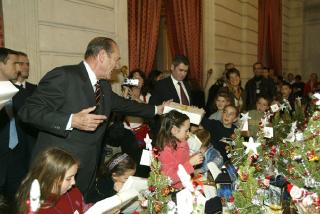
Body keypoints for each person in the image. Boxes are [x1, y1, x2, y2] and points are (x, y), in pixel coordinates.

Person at [18, 37, 168, 200]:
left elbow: (123, 104)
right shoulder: (64, 76)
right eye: (116, 59)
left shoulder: (103, 85)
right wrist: (71, 120)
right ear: (102, 55)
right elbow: (28, 111)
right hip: (58, 171)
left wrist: (156, 109)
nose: (117, 66)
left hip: (88, 167)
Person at [16, 148, 91, 214]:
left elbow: (83, 208)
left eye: (74, 176)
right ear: (51, 178)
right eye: (68, 178)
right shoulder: (36, 208)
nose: (74, 182)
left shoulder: (73, 192)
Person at [0, 48, 30, 207]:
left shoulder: (19, 92)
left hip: (18, 156)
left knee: (17, 204)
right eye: (15, 63)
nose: (19, 68)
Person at [157, 110, 203, 189]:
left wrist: (193, 159)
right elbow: (169, 179)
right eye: (186, 130)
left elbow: (182, 162)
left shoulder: (182, 141)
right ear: (174, 130)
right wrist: (190, 163)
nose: (188, 133)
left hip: (185, 183)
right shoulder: (165, 150)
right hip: (172, 190)